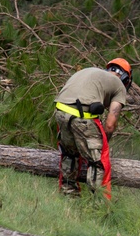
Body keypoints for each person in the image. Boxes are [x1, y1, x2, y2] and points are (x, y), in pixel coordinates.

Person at [53, 58, 132, 199]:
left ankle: (68, 196)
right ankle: (99, 203)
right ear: (126, 78)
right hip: (82, 115)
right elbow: (110, 124)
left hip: (60, 111)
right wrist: (101, 143)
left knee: (69, 154)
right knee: (99, 161)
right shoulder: (119, 86)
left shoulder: (92, 72)